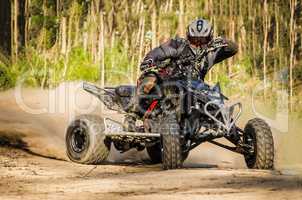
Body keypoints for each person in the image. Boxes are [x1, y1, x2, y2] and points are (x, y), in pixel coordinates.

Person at [125, 18, 238, 131]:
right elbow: (158, 52)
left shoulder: (211, 53)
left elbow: (233, 49)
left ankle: (233, 131)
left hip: (196, 88)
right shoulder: (178, 44)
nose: (198, 44)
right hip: (169, 83)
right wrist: (149, 60)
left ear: (209, 39)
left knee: (214, 96)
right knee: (150, 78)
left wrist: (223, 41)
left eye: (202, 40)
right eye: (194, 40)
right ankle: (131, 117)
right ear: (188, 36)